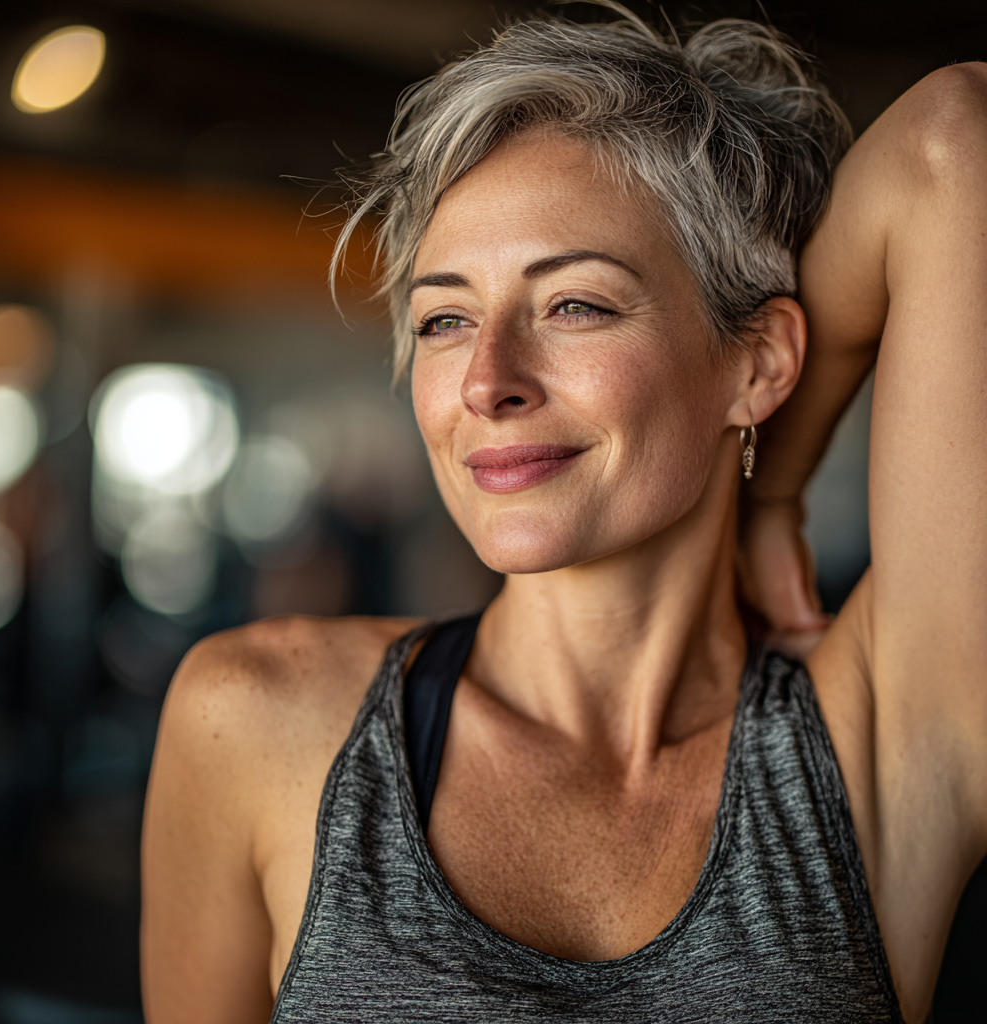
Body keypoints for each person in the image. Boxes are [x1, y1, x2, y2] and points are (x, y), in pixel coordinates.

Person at [140, 6, 987, 1023]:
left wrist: (776, 489)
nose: (485, 381)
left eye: (573, 303)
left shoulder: (885, 747)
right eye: (445, 318)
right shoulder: (255, 717)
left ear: (759, 361)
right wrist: (763, 488)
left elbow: (954, 136)